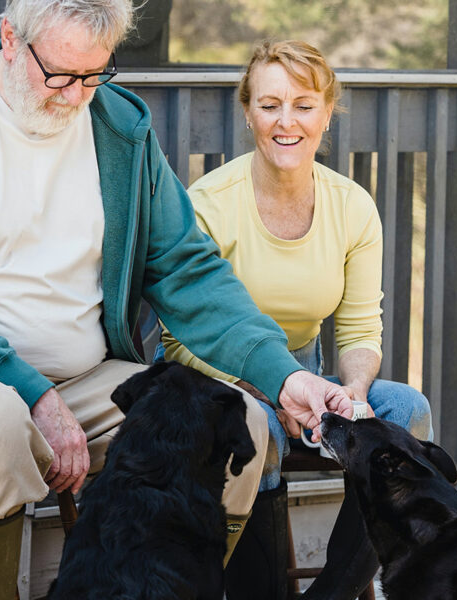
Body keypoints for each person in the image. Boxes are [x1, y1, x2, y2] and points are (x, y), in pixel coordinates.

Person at [0, 3, 358, 598]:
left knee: (238, 421)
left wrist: (283, 379)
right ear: (11, 39)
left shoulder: (120, 128)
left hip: (82, 380)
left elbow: (187, 270)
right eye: (62, 75)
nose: (76, 97)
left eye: (95, 75)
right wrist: (32, 394)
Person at [160, 40, 433, 600]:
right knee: (255, 429)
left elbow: (359, 330)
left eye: (304, 105)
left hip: (312, 381)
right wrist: (274, 391)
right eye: (270, 105)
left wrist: (352, 394)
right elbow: (179, 340)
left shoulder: (352, 206)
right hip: (222, 382)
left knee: (406, 410)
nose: (287, 122)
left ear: (327, 113)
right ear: (248, 112)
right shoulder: (209, 202)